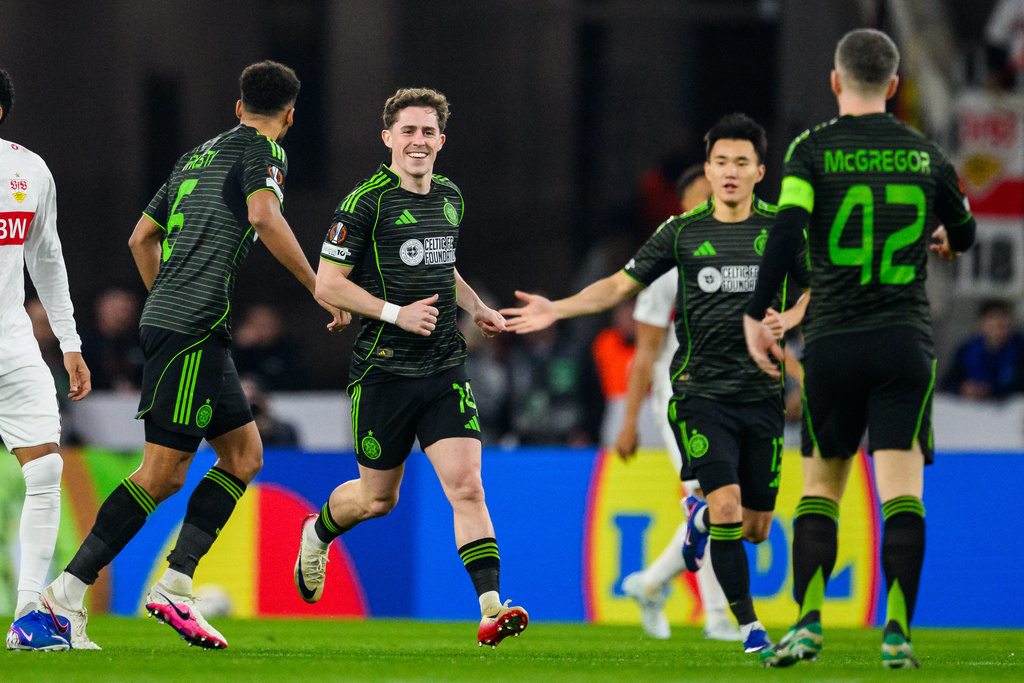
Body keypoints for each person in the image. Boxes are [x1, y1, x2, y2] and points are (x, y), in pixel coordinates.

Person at [18, 60, 347, 651]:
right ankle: (61, 601)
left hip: (188, 325)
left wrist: (164, 298)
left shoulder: (196, 156)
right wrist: (318, 284)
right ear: (290, 115)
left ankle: (175, 579)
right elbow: (264, 215)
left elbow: (140, 237)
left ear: (237, 103)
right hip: (191, 327)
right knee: (162, 473)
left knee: (244, 454)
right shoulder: (263, 151)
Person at [503, 113, 807, 656]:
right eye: (720, 162)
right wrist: (560, 308)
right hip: (698, 396)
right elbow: (619, 284)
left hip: (761, 399)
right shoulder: (681, 232)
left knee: (756, 528)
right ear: (708, 171)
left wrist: (794, 322)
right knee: (729, 505)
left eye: (741, 162)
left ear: (760, 170)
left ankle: (699, 526)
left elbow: (816, 288)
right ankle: (748, 628)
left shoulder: (781, 230)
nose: (729, 172)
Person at [744, 29, 976, 669]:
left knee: (820, 490)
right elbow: (965, 229)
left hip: (833, 345)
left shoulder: (810, 151)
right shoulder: (928, 157)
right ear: (896, 87)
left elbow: (786, 230)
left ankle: (811, 625)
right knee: (901, 494)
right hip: (904, 344)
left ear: (836, 80)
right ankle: (897, 633)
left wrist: (757, 312)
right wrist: (948, 240)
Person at [297, 88, 528, 648]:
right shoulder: (363, 204)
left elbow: (443, 265)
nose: (418, 141)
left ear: (441, 141)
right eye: (408, 131)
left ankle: (492, 607)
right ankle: (317, 531)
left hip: (443, 367)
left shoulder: (449, 197)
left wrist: (477, 309)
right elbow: (328, 283)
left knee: (467, 486)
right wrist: (396, 314)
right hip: (382, 372)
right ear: (388, 139)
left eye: (428, 132)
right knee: (379, 500)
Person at [614, 164, 746, 642]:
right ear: (683, 204)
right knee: (711, 498)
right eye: (700, 197)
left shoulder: (738, 259)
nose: (711, 203)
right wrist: (629, 422)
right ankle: (714, 616)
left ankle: (650, 584)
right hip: (677, 400)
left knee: (720, 502)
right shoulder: (667, 266)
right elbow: (645, 353)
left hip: (725, 397)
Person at [1, 67, 92, 652]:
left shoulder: (28, 171)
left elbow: (48, 260)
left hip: (11, 346)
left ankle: (28, 613)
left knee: (47, 472)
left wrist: (70, 342)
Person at [942, 299, 1024, 399]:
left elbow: (1018, 385)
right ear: (982, 323)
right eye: (995, 325)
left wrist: (991, 390)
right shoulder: (967, 349)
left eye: (1003, 325)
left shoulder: (1019, 349)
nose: (999, 331)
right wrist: (962, 388)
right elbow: (947, 383)